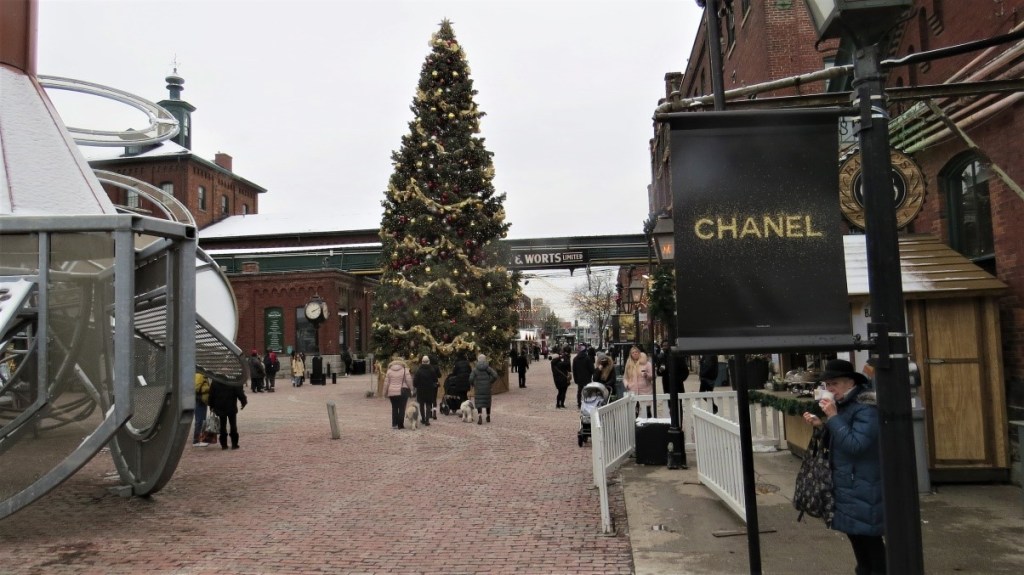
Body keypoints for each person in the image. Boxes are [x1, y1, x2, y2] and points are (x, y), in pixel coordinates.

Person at [802, 359, 885, 575]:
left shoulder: (866, 407)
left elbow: (855, 445)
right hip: (849, 482)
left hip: (864, 483)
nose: (830, 389)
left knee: (868, 538)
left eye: (835, 384)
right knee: (856, 535)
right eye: (827, 385)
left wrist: (832, 417)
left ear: (850, 383)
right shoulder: (846, 404)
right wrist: (821, 426)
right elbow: (841, 439)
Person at [208, 377, 247, 449]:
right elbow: (239, 392)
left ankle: (224, 445)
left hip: (220, 406)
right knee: (233, 425)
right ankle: (234, 444)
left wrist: (211, 405)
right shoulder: (233, 380)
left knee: (222, 425)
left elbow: (211, 393)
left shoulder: (216, 380)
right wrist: (243, 401)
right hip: (231, 405)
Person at [383, 355, 413, 429]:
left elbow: (386, 383)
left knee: (394, 407)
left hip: (392, 392)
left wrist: (384, 393)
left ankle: (394, 424)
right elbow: (409, 380)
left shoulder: (389, 371)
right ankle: (400, 425)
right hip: (403, 391)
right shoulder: (405, 370)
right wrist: (411, 388)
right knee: (402, 408)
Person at [469, 354, 498, 424]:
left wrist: (474, 384)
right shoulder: (488, 368)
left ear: (478, 360)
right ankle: (488, 416)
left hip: (478, 388)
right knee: (487, 402)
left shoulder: (475, 369)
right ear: (485, 360)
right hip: (487, 388)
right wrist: (490, 381)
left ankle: (480, 416)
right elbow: (495, 375)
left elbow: (471, 379)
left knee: (479, 402)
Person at [413, 355, 439, 426]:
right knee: (428, 404)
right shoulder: (431, 370)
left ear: (422, 362)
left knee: (421, 405)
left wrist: (416, 386)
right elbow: (435, 380)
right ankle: (427, 420)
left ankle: (423, 419)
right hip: (430, 389)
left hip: (420, 390)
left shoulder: (419, 370)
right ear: (428, 362)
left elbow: (415, 381)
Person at [192, 372, 211, 446]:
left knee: (202, 420)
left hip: (202, 401)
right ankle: (196, 440)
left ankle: (201, 438)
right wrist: (207, 389)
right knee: (199, 420)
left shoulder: (202, 376)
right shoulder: (199, 376)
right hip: (200, 401)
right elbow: (196, 388)